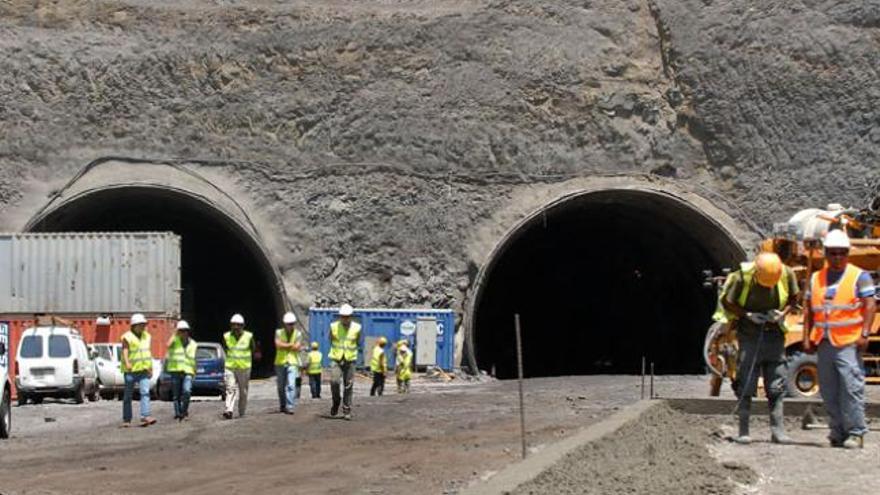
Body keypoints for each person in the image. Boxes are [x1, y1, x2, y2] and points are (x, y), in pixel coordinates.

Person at [804, 230, 876, 448]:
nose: (837, 258)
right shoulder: (816, 278)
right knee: (828, 389)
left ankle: (856, 431)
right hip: (824, 341)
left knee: (850, 386)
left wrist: (865, 333)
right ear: (825, 254)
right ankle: (837, 431)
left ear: (847, 254)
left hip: (848, 342)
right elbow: (808, 309)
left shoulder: (859, 276)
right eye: (833, 253)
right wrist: (807, 337)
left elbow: (870, 304)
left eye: (841, 253)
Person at [721, 252, 799, 444]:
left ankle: (778, 431)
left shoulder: (787, 274)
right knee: (746, 383)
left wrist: (782, 314)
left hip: (775, 337)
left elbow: (794, 298)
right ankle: (744, 430)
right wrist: (747, 314)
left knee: (776, 385)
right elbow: (727, 302)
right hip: (749, 336)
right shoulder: (742, 278)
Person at [121, 313, 156, 427]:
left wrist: (151, 368)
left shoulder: (147, 336)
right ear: (133, 326)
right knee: (128, 396)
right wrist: (127, 363)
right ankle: (127, 419)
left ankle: (145, 416)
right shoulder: (127, 336)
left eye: (143, 325)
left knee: (145, 393)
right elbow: (125, 351)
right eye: (140, 325)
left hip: (144, 370)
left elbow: (148, 352)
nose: (143, 327)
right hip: (130, 371)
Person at [328, 304, 362, 420]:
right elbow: (330, 339)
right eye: (343, 316)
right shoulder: (333, 327)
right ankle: (336, 401)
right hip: (336, 358)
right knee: (334, 381)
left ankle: (347, 409)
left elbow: (357, 342)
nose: (345, 319)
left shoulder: (357, 328)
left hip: (350, 359)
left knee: (348, 385)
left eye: (347, 317)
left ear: (351, 317)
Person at [223, 314, 255, 419]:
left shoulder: (249, 337)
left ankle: (242, 411)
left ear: (243, 326)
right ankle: (229, 410)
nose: (236, 327)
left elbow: (253, 349)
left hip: (244, 368)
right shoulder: (226, 336)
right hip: (230, 367)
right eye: (234, 325)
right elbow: (225, 349)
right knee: (230, 388)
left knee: (243, 391)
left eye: (238, 325)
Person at [165, 320, 197, 422]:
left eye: (185, 331)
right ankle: (178, 414)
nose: (183, 333)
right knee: (176, 395)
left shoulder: (193, 344)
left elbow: (194, 359)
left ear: (188, 332)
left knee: (187, 391)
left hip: (188, 371)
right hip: (175, 370)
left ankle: (184, 412)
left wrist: (195, 371)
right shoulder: (175, 341)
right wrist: (175, 333)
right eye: (181, 331)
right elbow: (167, 345)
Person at [274, 312, 302, 414]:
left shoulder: (298, 334)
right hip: (280, 362)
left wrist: (284, 345)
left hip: (292, 362)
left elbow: (297, 347)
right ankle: (282, 405)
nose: (290, 325)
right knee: (281, 386)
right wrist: (291, 345)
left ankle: (290, 406)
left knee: (291, 385)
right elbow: (278, 345)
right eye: (288, 324)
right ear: (284, 324)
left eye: (292, 323)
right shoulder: (278, 333)